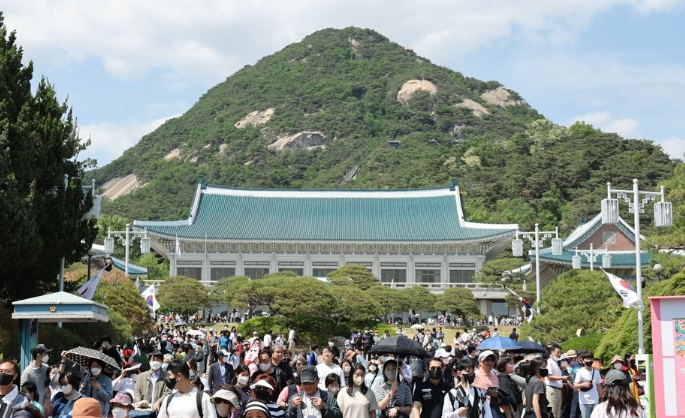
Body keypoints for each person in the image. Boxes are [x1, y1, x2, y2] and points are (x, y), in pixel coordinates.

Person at [574, 351, 603, 418]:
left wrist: (601, 398)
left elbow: (599, 386)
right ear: (583, 361)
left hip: (595, 400)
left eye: (591, 359)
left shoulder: (596, 372)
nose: (589, 360)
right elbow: (575, 385)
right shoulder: (580, 372)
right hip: (584, 402)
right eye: (587, 359)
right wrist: (583, 385)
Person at [546, 345, 568, 418]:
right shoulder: (549, 362)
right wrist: (562, 378)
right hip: (552, 389)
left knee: (557, 413)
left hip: (558, 390)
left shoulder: (555, 362)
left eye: (560, 352)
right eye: (557, 352)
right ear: (552, 352)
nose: (559, 354)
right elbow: (549, 377)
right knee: (552, 413)